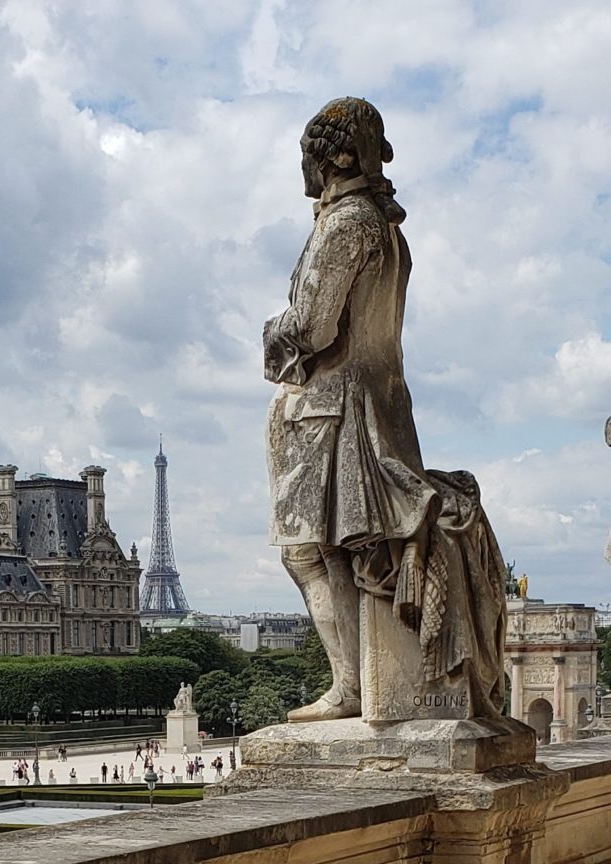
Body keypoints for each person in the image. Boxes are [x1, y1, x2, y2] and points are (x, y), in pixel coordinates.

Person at [263, 97, 506, 723]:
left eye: (308, 154)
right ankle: (355, 686)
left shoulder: (345, 224)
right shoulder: (387, 229)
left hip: (331, 409)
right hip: (381, 400)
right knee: (337, 548)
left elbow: (313, 328)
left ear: (335, 156)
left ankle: (348, 687)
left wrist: (271, 331)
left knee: (311, 550)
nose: (304, 167)